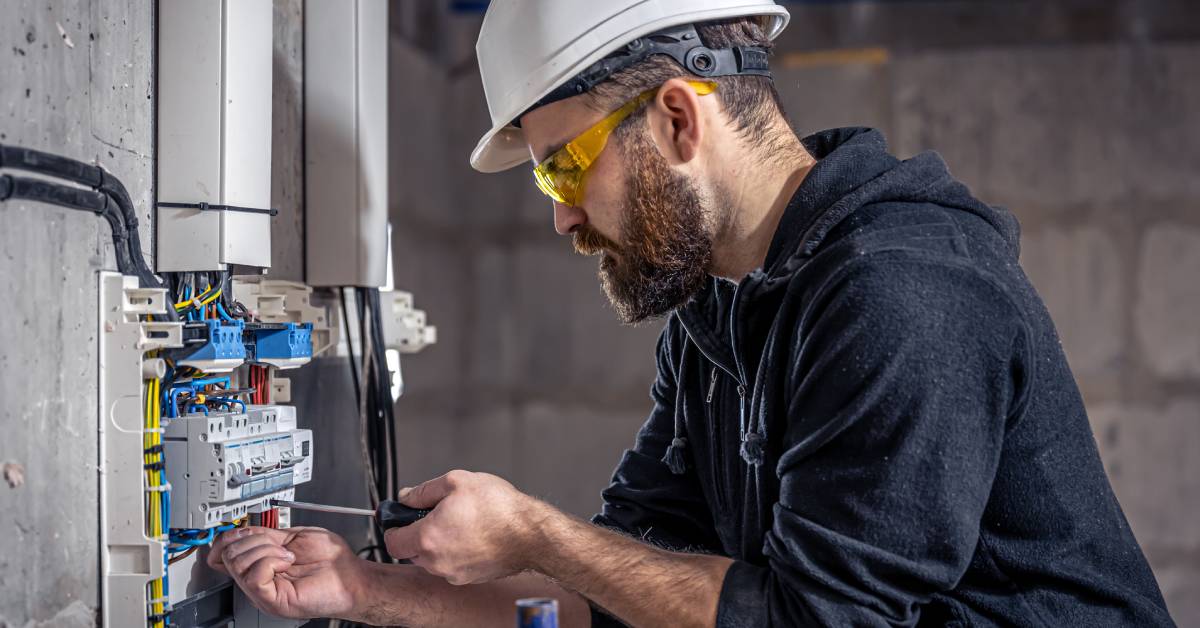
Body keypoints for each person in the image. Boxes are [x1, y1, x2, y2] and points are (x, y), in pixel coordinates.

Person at [210, 1, 1175, 625]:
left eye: (565, 165)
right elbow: (626, 591)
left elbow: (814, 623)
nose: (561, 214)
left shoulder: (903, 291)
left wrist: (538, 533)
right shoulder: (717, 318)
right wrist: (363, 589)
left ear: (678, 116)